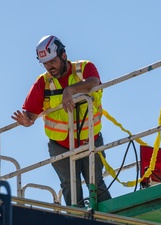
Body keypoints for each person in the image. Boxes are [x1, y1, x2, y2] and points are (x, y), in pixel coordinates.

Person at [12, 35, 111, 207]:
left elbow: (94, 82)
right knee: (69, 187)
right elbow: (31, 114)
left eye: (53, 61)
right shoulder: (43, 82)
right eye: (45, 63)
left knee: (96, 184)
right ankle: (76, 219)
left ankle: (113, 219)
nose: (49, 67)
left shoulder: (85, 68)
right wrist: (27, 121)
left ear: (63, 55)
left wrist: (69, 90)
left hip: (90, 140)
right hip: (60, 145)